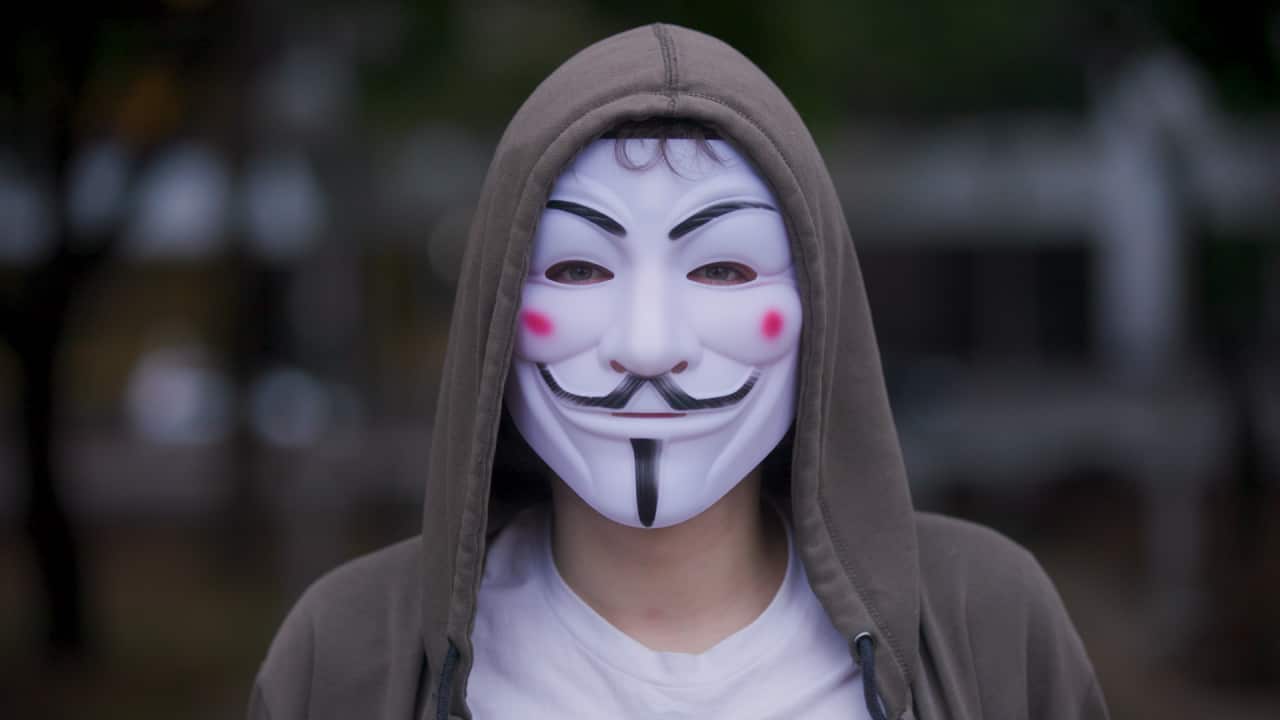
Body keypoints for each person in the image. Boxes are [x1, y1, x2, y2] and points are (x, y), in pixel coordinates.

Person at [249, 24, 1109, 720]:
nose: (650, 348)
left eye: (725, 270)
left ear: (820, 299)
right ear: (498, 307)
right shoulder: (349, 652)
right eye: (580, 270)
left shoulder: (984, 622)